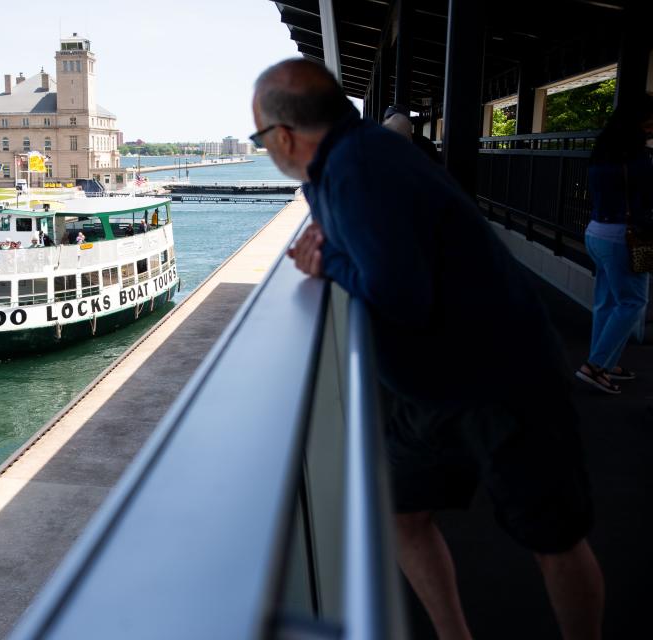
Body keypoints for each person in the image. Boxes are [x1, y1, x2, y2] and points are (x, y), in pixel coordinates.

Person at [253, 58, 604, 640]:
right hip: (428, 388)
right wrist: (335, 241)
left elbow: (400, 296)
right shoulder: (343, 163)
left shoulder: (359, 167)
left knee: (554, 538)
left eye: (260, 138)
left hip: (503, 380)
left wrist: (327, 259)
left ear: (284, 136)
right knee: (402, 515)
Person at [575, 96, 653, 394]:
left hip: (596, 232)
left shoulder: (603, 152)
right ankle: (595, 367)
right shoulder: (636, 158)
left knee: (607, 302)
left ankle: (606, 361)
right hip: (624, 237)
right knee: (633, 303)